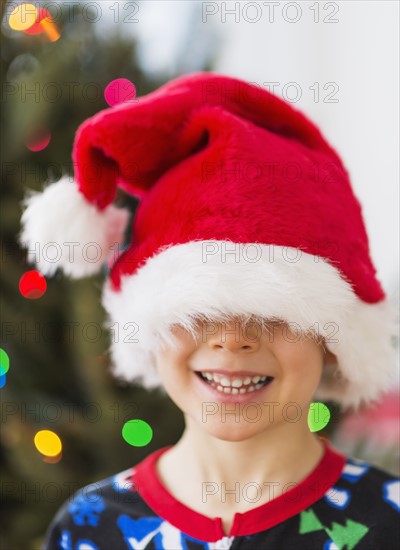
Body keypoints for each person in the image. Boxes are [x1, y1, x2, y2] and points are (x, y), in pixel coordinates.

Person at [19, 73, 399, 549]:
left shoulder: (389, 522)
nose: (233, 339)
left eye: (273, 310)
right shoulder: (88, 527)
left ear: (333, 338)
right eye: (198, 307)